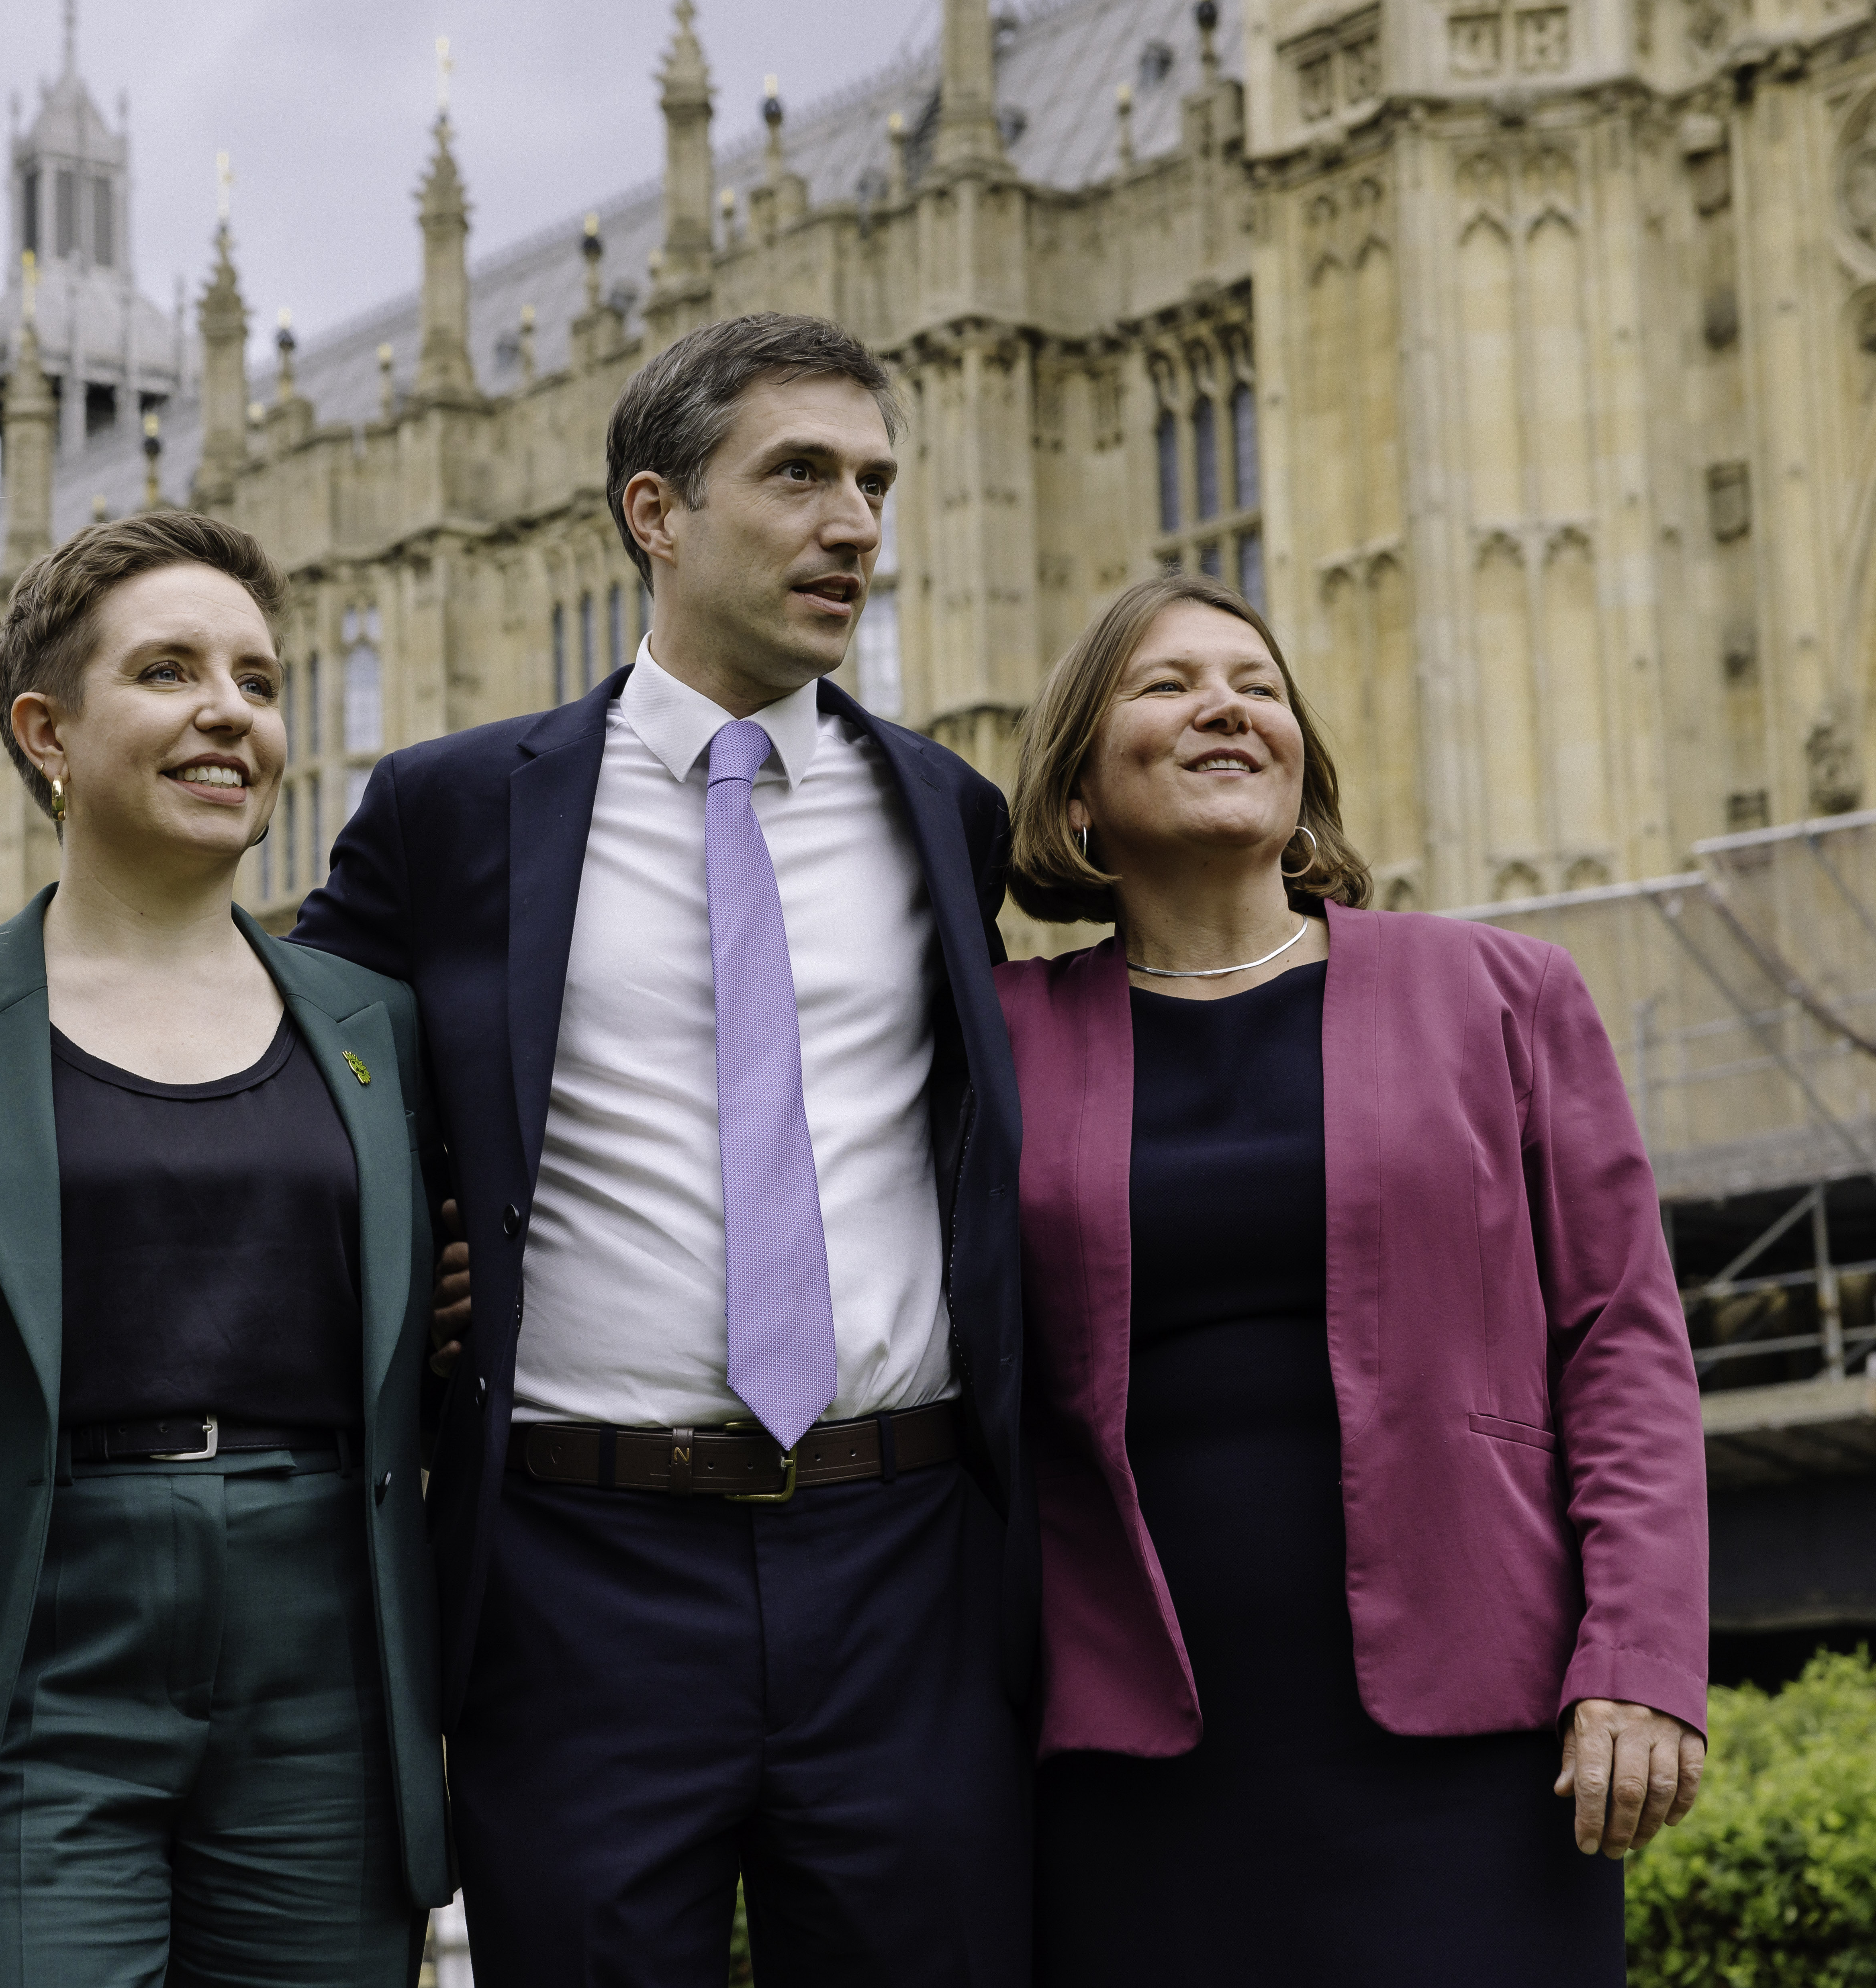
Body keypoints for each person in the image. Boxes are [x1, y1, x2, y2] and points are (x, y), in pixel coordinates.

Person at [293, 313, 1033, 1984]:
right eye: (797, 475)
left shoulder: (942, 809)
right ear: (654, 512)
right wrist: (407, 1245)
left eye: (873, 482)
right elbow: (273, 1050)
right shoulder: (460, 809)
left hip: (901, 1552)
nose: (852, 522)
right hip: (581, 1574)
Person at [994, 572, 1709, 1985]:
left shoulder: (1502, 993)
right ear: (1075, 790)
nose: (1223, 705)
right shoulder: (996, 1035)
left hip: (1469, 1731)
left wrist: (1634, 1654)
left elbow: (1618, 1342)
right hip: (1122, 1740)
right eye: (1165, 683)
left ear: (1301, 764)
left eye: (1255, 686)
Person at [0, 512, 452, 1986]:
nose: (230, 710)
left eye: (260, 682)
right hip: (37, 1632)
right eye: (169, 669)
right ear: (46, 729)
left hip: (324, 1632)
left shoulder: (372, 1025)